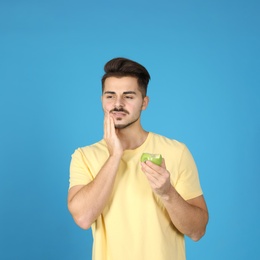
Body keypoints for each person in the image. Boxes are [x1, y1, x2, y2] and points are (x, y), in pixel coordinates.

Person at [68, 57, 209, 260]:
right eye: (110, 96)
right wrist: (115, 155)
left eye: (128, 96)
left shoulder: (176, 152)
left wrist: (167, 192)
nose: (118, 104)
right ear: (102, 100)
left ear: (144, 102)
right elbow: (82, 218)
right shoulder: (84, 156)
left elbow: (198, 230)